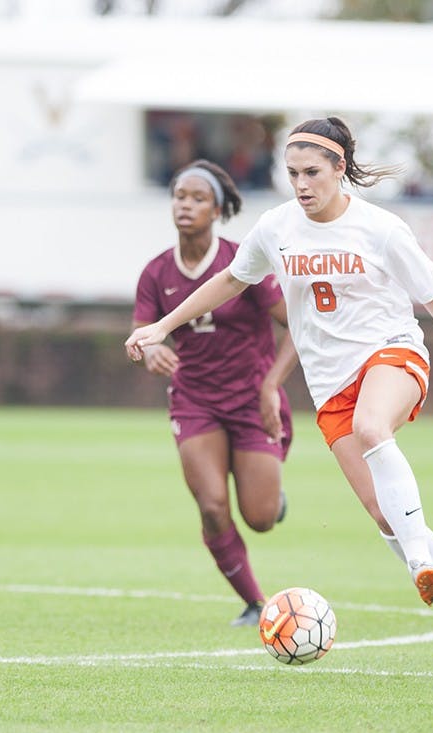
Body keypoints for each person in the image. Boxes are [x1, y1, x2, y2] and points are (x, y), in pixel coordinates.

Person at [126, 118, 433, 673]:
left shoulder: (381, 229)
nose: (301, 184)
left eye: (312, 173)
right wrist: (163, 325)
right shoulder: (276, 227)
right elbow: (229, 280)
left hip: (392, 354)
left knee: (373, 428)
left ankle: (420, 562)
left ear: (339, 168)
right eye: (292, 173)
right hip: (330, 384)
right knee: (384, 515)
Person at [128, 159, 298, 627]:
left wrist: (271, 384)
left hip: (251, 399)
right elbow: (142, 335)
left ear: (217, 211)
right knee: (211, 506)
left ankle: (273, 497)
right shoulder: (156, 272)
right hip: (194, 401)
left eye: (198, 198)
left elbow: (298, 326)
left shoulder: (243, 262)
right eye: (179, 196)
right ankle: (255, 602)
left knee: (260, 517)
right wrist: (151, 350)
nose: (186, 205)